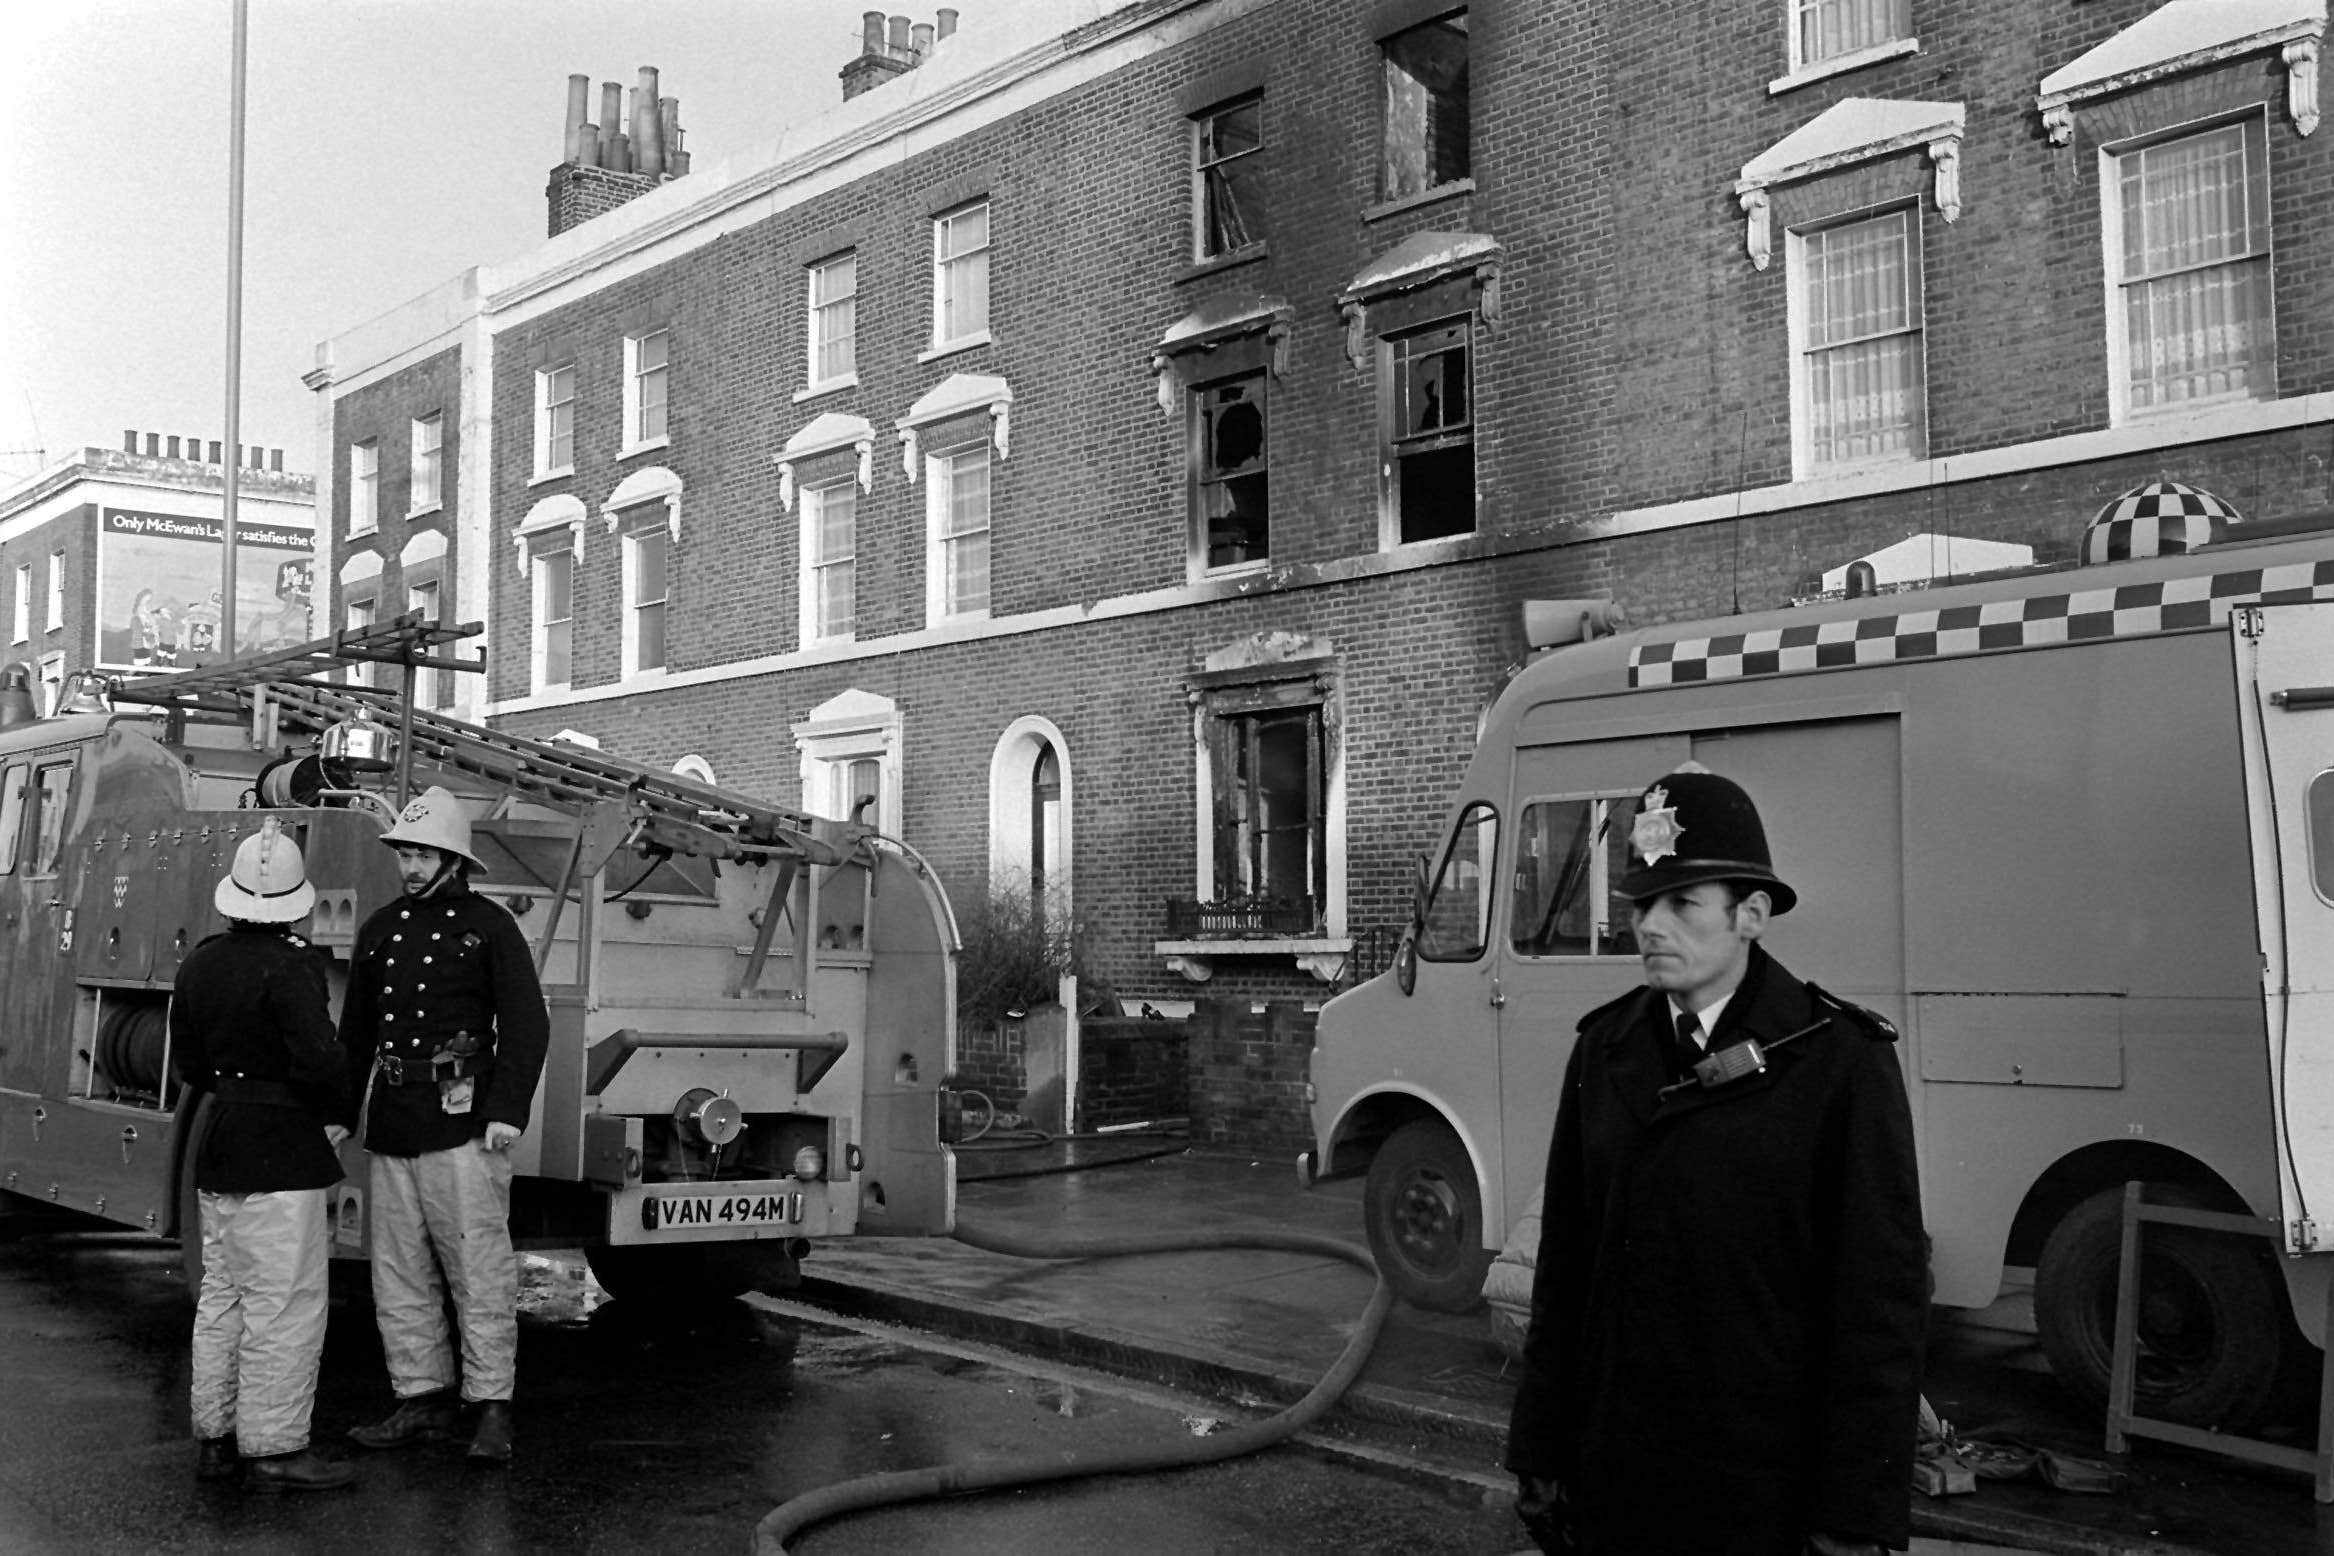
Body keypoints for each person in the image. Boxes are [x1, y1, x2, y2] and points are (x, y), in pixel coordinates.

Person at [1506, 766, 1926, 1556]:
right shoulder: (1605, 1048)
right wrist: (1539, 1447)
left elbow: (1879, 1304)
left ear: (1752, 915)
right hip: (1617, 1473)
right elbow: (1565, 1267)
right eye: (1641, 905)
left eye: (1682, 904)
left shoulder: (1838, 1062)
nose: (1651, 927)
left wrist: (1855, 1510)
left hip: (1761, 1487)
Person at [340, 786, 549, 1464]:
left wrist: (507, 1113)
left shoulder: (490, 927)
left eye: (423, 854)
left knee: (478, 1269)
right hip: (396, 1117)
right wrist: (343, 1114)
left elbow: (526, 1024)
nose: (410, 867)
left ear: (453, 859)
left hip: (463, 1123)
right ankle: (419, 1398)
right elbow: (356, 1034)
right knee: (399, 1272)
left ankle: (492, 1406)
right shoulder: (379, 929)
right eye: (404, 853)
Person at [174, 817, 356, 1492]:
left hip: (220, 1140)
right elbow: (320, 1060)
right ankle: (276, 1446)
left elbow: (190, 1063)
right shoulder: (296, 966)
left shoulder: (199, 963)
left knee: (221, 1296)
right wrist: (338, 1110)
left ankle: (215, 1438)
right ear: (295, 900)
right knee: (283, 1301)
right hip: (284, 1148)